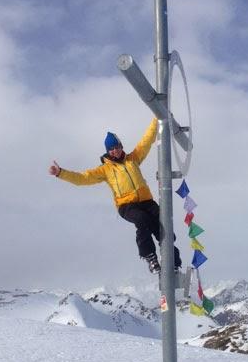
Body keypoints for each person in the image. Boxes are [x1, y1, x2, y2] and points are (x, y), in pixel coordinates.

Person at [48, 116, 182, 274]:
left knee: (163, 222)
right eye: (111, 149)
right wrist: (61, 173)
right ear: (107, 151)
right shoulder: (105, 170)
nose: (115, 151)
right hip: (126, 206)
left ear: (121, 146)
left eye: (117, 147)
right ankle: (150, 256)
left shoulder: (133, 158)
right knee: (142, 220)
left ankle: (173, 260)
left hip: (146, 201)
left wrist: (157, 116)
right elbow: (82, 178)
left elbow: (147, 140)